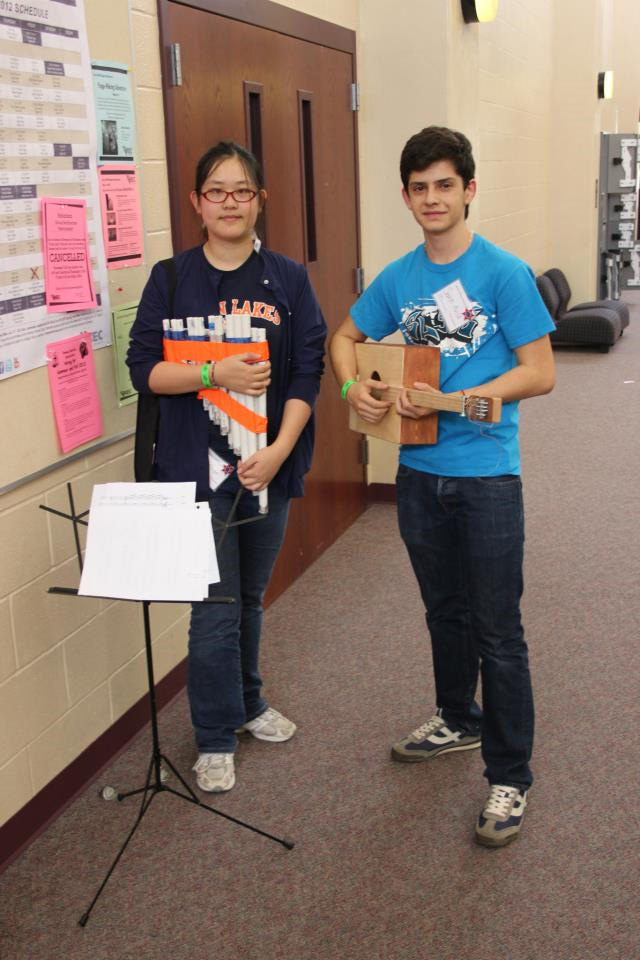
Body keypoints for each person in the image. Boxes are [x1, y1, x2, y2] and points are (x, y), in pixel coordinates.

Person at [330, 126, 555, 846]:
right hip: (418, 474)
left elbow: (539, 372)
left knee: (499, 629)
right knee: (444, 612)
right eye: (419, 188)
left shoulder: (502, 273)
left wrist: (457, 401)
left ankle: (510, 777)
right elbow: (345, 338)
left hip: (487, 476)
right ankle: (457, 718)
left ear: (468, 189)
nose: (432, 199)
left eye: (444, 185)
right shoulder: (399, 278)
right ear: (406, 197)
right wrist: (355, 389)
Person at [127, 141, 326, 793]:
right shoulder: (170, 277)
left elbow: (306, 371)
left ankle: (246, 704)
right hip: (194, 471)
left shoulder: (289, 279)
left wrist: (278, 450)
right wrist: (215, 371)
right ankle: (213, 735)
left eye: (242, 190)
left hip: (268, 465)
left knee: (247, 597)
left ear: (259, 200)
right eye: (217, 190)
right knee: (213, 605)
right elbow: (145, 372)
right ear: (197, 203)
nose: (229, 202)